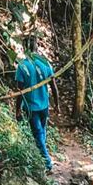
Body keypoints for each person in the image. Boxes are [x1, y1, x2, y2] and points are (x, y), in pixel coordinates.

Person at [15, 35, 60, 171]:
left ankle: (46, 163)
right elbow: (53, 86)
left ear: (24, 48)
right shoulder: (45, 63)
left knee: (38, 133)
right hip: (44, 105)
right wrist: (57, 104)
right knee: (42, 131)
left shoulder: (23, 66)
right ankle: (42, 159)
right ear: (36, 47)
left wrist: (17, 109)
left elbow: (20, 91)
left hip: (31, 106)